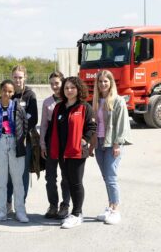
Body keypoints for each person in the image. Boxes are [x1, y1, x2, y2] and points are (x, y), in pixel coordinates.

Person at [47, 76, 96, 229]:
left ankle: (77, 213)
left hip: (76, 152)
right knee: (67, 180)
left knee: (76, 182)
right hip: (62, 152)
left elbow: (91, 127)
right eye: (66, 88)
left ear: (78, 89)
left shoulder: (84, 107)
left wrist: (84, 140)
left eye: (72, 88)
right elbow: (53, 128)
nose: (69, 90)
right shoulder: (59, 107)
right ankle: (74, 212)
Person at [0, 80, 29, 223]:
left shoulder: (18, 107)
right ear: (0, 91)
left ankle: (20, 211)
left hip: (15, 142)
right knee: (1, 180)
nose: (7, 94)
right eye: (4, 91)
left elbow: (25, 125)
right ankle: (1, 211)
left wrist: (19, 140)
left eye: (10, 91)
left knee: (18, 180)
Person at [92, 70, 132, 225]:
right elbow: (95, 125)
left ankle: (116, 210)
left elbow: (122, 125)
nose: (103, 84)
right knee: (106, 177)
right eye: (100, 81)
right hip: (99, 143)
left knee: (111, 177)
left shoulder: (118, 100)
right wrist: (92, 144)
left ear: (111, 82)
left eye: (105, 81)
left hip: (112, 144)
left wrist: (117, 144)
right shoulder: (96, 101)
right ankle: (110, 206)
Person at [7, 65, 38, 214]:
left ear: (25, 77)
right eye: (15, 77)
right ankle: (8, 204)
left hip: (25, 140)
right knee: (8, 173)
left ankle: (21, 203)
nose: (17, 80)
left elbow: (33, 118)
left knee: (23, 173)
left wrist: (21, 132)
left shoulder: (30, 95)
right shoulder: (8, 93)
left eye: (20, 77)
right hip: (8, 139)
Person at [40, 71, 71, 219]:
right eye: (52, 83)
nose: (54, 86)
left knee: (66, 176)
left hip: (65, 143)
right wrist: (42, 145)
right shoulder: (47, 102)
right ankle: (53, 205)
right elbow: (44, 125)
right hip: (50, 142)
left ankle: (65, 206)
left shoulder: (69, 100)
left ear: (63, 82)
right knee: (50, 177)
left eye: (57, 83)